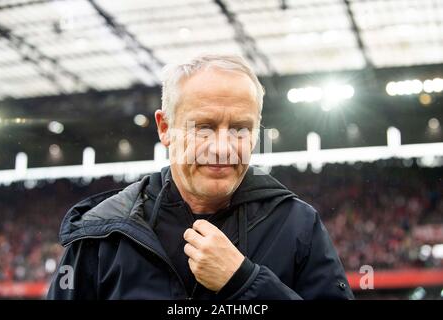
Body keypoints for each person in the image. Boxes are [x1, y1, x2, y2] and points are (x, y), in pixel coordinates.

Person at [47, 54, 354, 300]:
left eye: (240, 129)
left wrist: (244, 282)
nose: (222, 148)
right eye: (203, 127)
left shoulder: (297, 225)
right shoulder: (101, 234)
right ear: (165, 128)